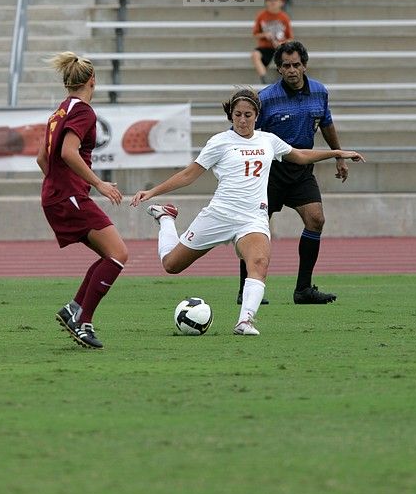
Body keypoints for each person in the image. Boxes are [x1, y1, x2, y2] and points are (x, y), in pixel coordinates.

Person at [130, 88, 365, 336]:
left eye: (248, 114)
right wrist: (153, 192)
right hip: (219, 215)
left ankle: (245, 321)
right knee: (171, 265)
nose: (243, 120)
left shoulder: (268, 140)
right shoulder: (219, 142)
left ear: (257, 115)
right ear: (230, 115)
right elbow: (188, 175)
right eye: (238, 114)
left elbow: (301, 156)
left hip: (252, 219)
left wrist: (336, 153)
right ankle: (166, 218)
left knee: (259, 262)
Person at [237, 41, 354, 306]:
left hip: (302, 170)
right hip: (270, 171)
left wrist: (339, 156)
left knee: (316, 219)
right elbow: (247, 133)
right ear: (278, 69)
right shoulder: (265, 98)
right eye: (286, 66)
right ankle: (246, 289)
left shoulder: (320, 93)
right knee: (254, 228)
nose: (292, 70)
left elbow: (326, 124)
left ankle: (303, 290)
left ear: (305, 65)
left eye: (296, 65)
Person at [36, 52, 128, 349]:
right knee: (118, 254)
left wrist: (56, 184)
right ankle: (82, 320)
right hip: (69, 196)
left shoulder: (60, 111)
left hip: (58, 195)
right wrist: (97, 183)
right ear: (92, 80)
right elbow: (67, 152)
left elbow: (42, 157)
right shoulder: (84, 111)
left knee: (109, 255)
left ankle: (74, 310)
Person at [252, 0, 293, 84]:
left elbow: (290, 38)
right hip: (265, 47)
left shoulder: (284, 17)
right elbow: (255, 34)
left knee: (288, 57)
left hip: (280, 47)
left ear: (281, 2)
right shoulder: (261, 16)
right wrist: (264, 35)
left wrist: (281, 43)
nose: (272, 2)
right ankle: (264, 79)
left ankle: (285, 79)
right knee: (255, 55)